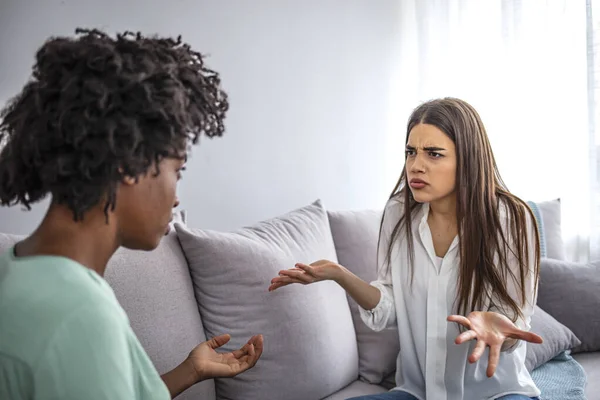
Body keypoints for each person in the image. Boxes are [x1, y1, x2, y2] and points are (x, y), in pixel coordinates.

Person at [0, 28, 263, 400]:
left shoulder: (18, 270)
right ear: (129, 162)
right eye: (178, 170)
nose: (176, 199)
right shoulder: (77, 316)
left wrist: (191, 371)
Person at [269, 98, 543, 400]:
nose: (416, 165)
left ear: (468, 158)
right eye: (410, 152)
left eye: (434, 154)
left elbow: (515, 321)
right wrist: (340, 275)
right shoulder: (399, 212)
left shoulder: (511, 219)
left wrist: (498, 328)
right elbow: (388, 309)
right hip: (418, 393)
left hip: (497, 394)